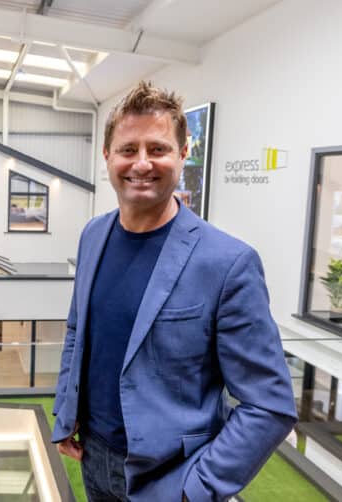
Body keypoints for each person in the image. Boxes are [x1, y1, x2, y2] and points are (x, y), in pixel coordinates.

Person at [52, 81, 297, 502]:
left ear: (183, 155)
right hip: (95, 459)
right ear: (107, 155)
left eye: (158, 149)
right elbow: (78, 331)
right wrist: (66, 413)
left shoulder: (227, 262)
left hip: (172, 476)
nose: (142, 163)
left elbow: (270, 405)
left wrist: (194, 491)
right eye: (128, 149)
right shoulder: (93, 235)